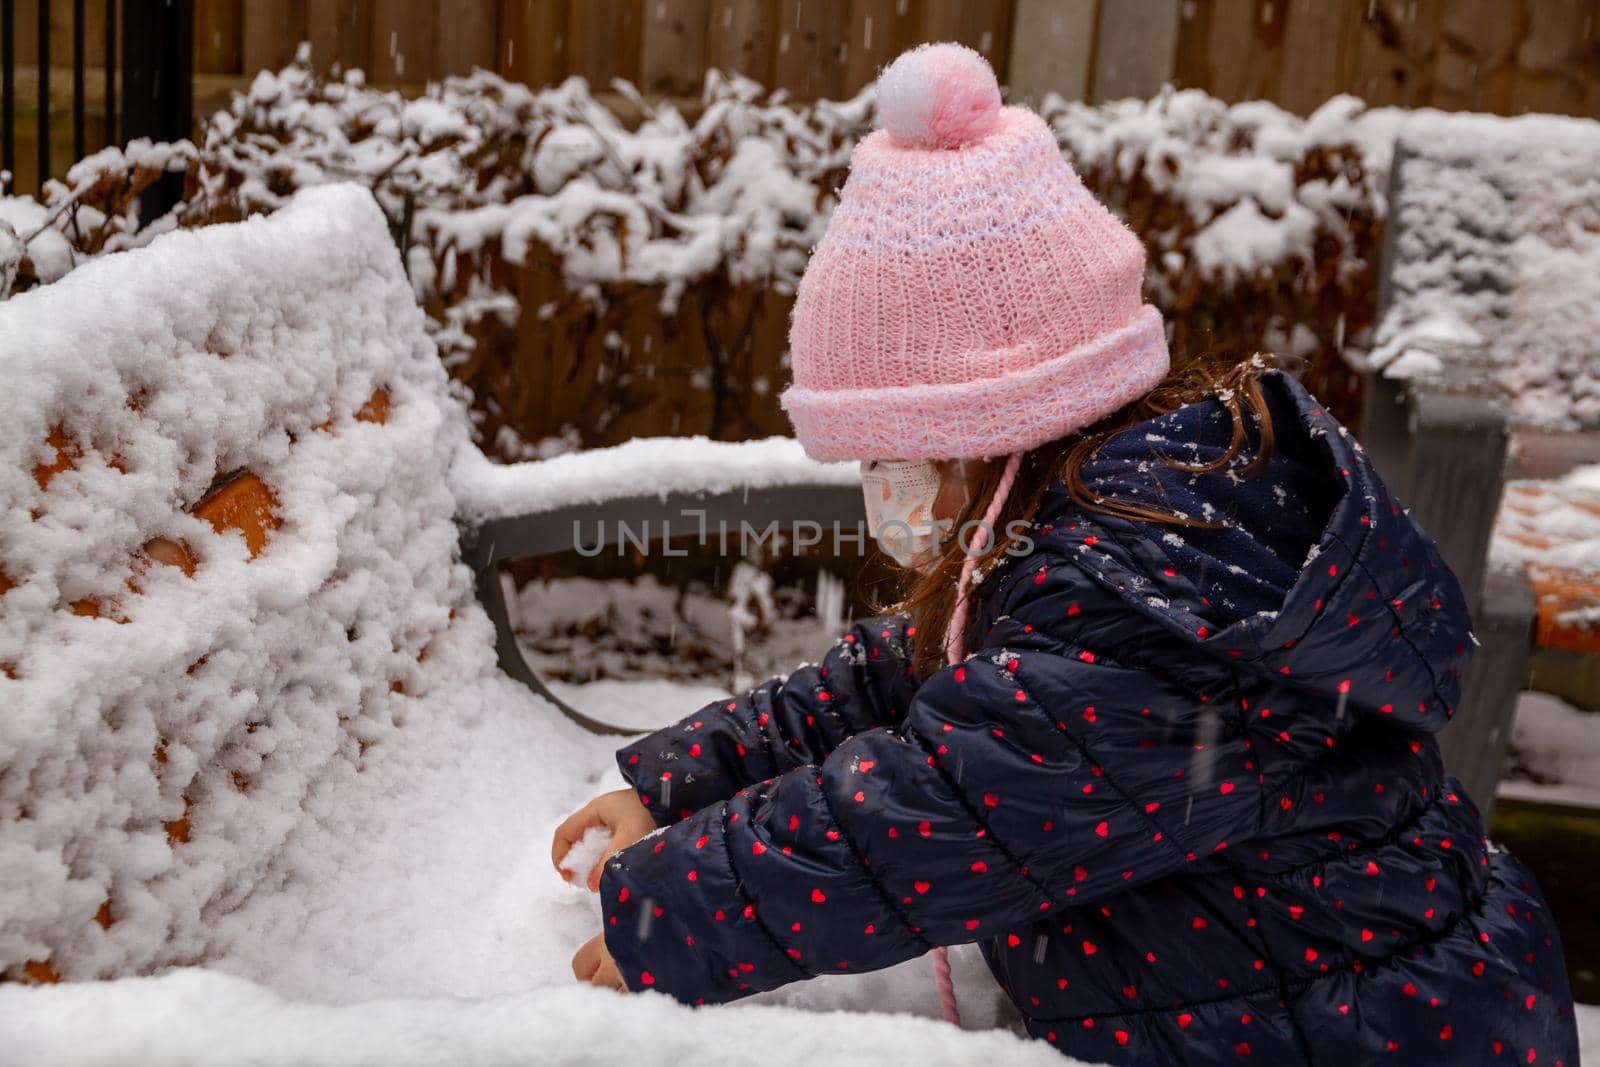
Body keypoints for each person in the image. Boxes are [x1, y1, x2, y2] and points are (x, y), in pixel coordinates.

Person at [551, 42, 1578, 1066]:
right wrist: (687, 773)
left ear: (997, 429)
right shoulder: (1126, 525)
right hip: (1307, 987)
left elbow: (918, 817)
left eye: (892, 450)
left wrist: (669, 912)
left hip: (1357, 1035)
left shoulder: (1129, 612)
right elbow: (902, 675)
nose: (880, 481)